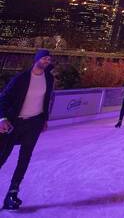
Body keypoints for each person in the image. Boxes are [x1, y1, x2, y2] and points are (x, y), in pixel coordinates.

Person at [0, 49, 54, 210]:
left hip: (34, 124)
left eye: (49, 59)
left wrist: (44, 119)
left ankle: (12, 193)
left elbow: (47, 100)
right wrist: (2, 118)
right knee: (2, 156)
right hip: (14, 123)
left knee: (25, 159)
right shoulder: (21, 78)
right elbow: (3, 98)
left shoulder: (49, 79)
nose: (47, 61)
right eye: (44, 58)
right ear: (36, 60)